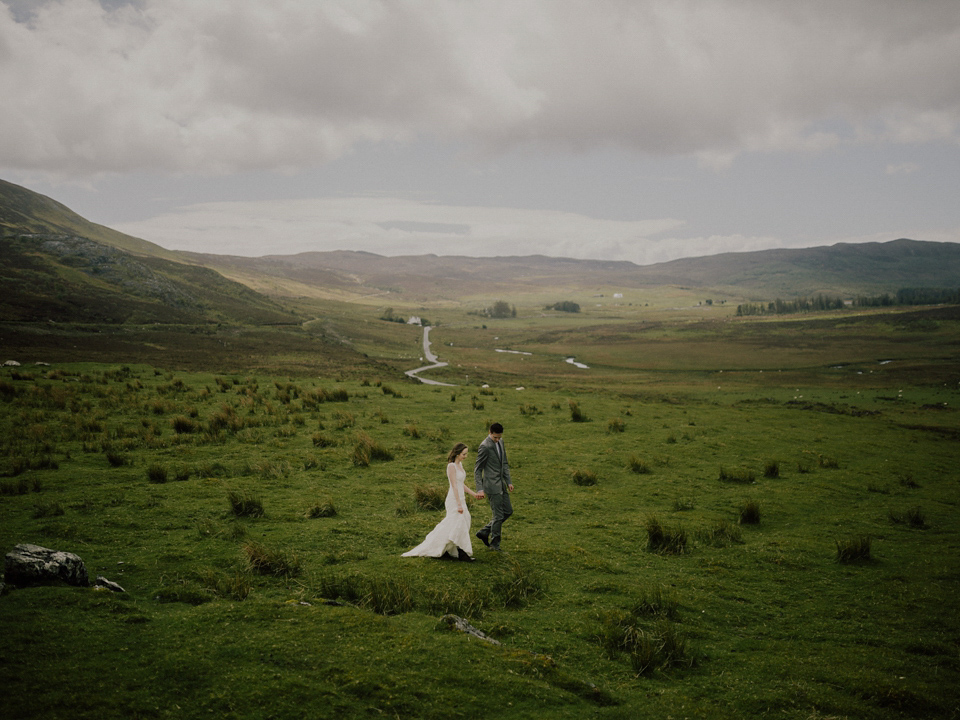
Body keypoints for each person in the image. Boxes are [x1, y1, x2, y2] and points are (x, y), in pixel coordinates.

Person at [402, 442, 479, 562]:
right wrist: (458, 504)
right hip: (454, 499)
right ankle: (461, 552)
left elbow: (461, 484)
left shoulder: (460, 466)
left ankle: (446, 549)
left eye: (466, 454)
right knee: (458, 523)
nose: (466, 456)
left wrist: (473, 494)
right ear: (458, 454)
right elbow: (454, 485)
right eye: (464, 454)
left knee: (463, 521)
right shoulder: (451, 466)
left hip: (461, 498)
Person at [474, 422, 514, 551]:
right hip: (491, 485)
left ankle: (484, 531)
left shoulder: (500, 442)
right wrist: (480, 489)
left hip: (501, 483)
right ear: (489, 433)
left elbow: (505, 463)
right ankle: (494, 544)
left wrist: (508, 482)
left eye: (499, 437)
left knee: (508, 511)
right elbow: (477, 469)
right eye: (495, 437)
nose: (497, 440)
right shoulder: (484, 446)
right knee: (498, 516)